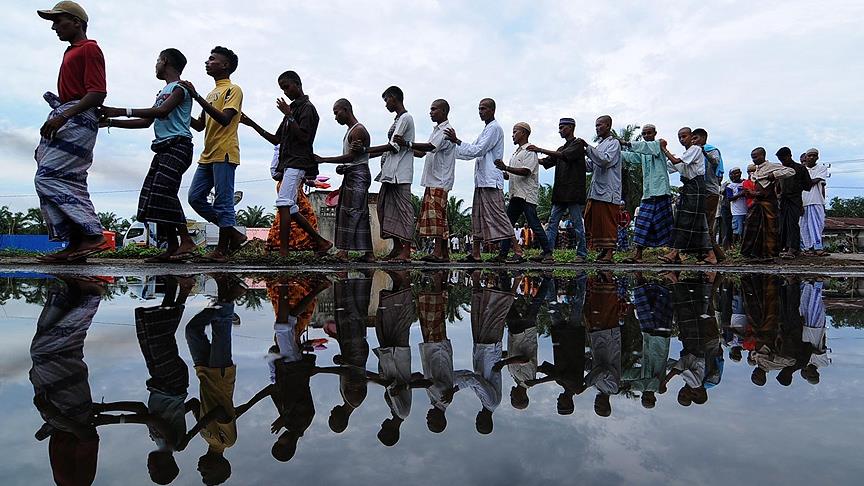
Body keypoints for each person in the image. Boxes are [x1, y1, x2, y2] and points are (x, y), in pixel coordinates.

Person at [99, 48, 197, 263]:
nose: (155, 65)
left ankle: (186, 241)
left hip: (178, 146)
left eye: (157, 61)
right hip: (163, 148)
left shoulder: (180, 88)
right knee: (155, 196)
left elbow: (161, 112)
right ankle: (172, 246)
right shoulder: (162, 93)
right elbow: (146, 122)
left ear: (165, 61)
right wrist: (111, 122)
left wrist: (120, 110)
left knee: (164, 192)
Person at [35, 2, 109, 263]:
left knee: (48, 177)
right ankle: (76, 243)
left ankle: (92, 234)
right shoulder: (71, 52)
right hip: (68, 114)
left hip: (75, 117)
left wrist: (64, 116)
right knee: (68, 178)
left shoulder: (89, 49)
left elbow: (98, 92)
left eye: (59, 21)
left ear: (77, 22)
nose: (55, 27)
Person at [240, 70, 332, 257]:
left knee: (283, 203)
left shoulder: (307, 109)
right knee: (289, 207)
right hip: (289, 162)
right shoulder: (293, 109)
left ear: (297, 84)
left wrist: (289, 115)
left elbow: (305, 137)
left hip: (298, 162)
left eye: (287, 87)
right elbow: (276, 139)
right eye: (282, 89)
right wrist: (251, 123)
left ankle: (284, 251)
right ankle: (321, 242)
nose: (286, 92)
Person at [180, 46, 246, 263]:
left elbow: (225, 119)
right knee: (195, 197)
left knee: (223, 201)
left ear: (225, 65)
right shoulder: (210, 94)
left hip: (225, 152)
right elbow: (200, 125)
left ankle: (222, 250)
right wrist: (179, 110)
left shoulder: (233, 90)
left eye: (212, 59)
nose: (207, 62)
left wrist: (196, 96)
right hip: (208, 154)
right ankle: (234, 235)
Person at [185, 274, 245, 486]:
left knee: (192, 331)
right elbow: (220, 413)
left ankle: (226, 298)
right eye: (205, 474)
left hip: (203, 374)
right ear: (220, 468)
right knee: (221, 330)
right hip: (220, 379)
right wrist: (190, 433)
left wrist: (173, 416)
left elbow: (195, 405)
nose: (199, 469)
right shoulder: (227, 441)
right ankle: (228, 298)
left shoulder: (205, 436)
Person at [444, 99, 521, 263]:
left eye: (484, 109)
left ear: (492, 110)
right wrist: (450, 149)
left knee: (499, 215)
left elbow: (478, 150)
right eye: (479, 109)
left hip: (491, 181)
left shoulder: (494, 128)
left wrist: (456, 141)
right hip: (481, 181)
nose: (480, 112)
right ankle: (476, 253)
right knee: (477, 216)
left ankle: (518, 251)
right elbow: (471, 150)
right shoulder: (486, 130)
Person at [314, 99, 374, 262]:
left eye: (336, 112)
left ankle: (344, 251)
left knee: (352, 212)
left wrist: (324, 159)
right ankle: (368, 254)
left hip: (358, 175)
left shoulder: (358, 130)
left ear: (346, 110)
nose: (335, 117)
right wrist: (343, 167)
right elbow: (352, 159)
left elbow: (352, 157)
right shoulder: (351, 131)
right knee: (358, 213)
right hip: (352, 173)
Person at [398, 99, 457, 263]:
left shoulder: (446, 130)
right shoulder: (437, 131)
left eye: (434, 109)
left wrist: (407, 143)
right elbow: (423, 152)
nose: (430, 112)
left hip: (440, 180)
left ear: (444, 111)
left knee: (437, 217)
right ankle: (444, 254)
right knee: (441, 217)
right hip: (433, 179)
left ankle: (438, 252)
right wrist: (405, 149)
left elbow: (430, 147)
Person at [365, 86, 415, 262]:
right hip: (389, 172)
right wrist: (368, 154)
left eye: (387, 100)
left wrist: (366, 150)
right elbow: (390, 144)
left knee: (404, 210)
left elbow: (393, 145)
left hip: (400, 172)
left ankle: (406, 251)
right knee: (384, 207)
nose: (386, 104)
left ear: (394, 98)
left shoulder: (406, 118)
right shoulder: (397, 119)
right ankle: (396, 246)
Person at [528, 118, 588, 260]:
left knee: (577, 224)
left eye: (562, 127)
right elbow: (547, 161)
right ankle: (547, 252)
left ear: (571, 127)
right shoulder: (561, 148)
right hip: (561, 192)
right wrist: (529, 158)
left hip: (573, 191)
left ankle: (581, 254)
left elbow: (564, 156)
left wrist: (540, 149)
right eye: (559, 127)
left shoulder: (578, 144)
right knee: (552, 223)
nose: (560, 130)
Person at [495, 122, 554, 263]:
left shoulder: (529, 151)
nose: (513, 135)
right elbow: (512, 174)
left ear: (524, 133)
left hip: (526, 195)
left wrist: (507, 167)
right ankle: (503, 254)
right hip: (516, 194)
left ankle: (548, 253)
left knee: (534, 224)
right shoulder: (516, 153)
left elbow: (526, 172)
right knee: (508, 224)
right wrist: (504, 173)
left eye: (515, 131)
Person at [659, 127, 717, 264]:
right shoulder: (686, 155)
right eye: (679, 137)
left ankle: (677, 253)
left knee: (691, 220)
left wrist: (664, 149)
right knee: (685, 220)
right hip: (688, 188)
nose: (681, 139)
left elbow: (676, 162)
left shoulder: (695, 150)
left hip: (696, 186)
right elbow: (671, 165)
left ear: (691, 137)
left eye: (684, 136)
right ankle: (678, 253)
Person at [619, 124, 675, 263]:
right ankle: (638, 255)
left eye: (649, 133)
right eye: (644, 134)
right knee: (642, 223)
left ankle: (675, 255)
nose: (646, 136)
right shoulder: (644, 153)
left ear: (655, 133)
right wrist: (615, 151)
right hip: (648, 194)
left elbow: (646, 148)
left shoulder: (659, 145)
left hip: (661, 191)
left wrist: (626, 143)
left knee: (666, 225)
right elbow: (631, 157)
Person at [577, 115, 622, 263]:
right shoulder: (600, 145)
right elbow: (590, 165)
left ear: (608, 126)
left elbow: (605, 160)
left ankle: (609, 252)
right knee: (594, 221)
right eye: (596, 125)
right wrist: (575, 156)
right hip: (596, 191)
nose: (597, 128)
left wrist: (587, 148)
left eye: (600, 125)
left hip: (609, 190)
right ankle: (602, 250)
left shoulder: (614, 143)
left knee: (608, 222)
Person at [740, 147, 795, 262]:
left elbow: (791, 171)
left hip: (769, 202)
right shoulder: (755, 171)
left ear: (763, 156)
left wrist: (774, 175)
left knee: (769, 229)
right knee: (752, 226)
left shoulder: (771, 166)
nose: (754, 159)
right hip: (757, 201)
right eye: (752, 157)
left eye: (756, 157)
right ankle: (752, 253)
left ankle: (769, 254)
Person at [418, 271, 456, 433]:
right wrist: (407, 385)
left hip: (434, 349)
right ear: (438, 420)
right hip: (437, 349)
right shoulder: (442, 399)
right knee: (434, 313)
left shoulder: (438, 401)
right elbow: (428, 382)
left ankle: (439, 279)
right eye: (429, 421)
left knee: (433, 314)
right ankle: (438, 279)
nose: (427, 417)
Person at [264, 145, 321, 253]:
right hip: (290, 187)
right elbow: (276, 174)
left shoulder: (297, 148)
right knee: (290, 214)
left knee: (296, 215)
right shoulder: (283, 148)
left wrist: (307, 180)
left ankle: (316, 245)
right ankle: (282, 248)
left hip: (294, 187)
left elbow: (308, 174)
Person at [691, 128, 727, 261]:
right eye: (692, 138)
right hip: (699, 191)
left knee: (708, 224)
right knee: (700, 224)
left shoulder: (711, 150)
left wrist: (703, 151)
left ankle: (717, 255)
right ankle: (706, 253)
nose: (693, 141)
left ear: (704, 138)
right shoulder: (693, 152)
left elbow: (715, 162)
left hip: (710, 191)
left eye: (696, 138)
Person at [776, 147, 812, 259]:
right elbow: (777, 186)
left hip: (795, 200)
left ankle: (793, 248)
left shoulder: (800, 168)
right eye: (780, 159)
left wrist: (796, 187)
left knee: (792, 223)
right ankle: (785, 247)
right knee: (783, 224)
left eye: (783, 158)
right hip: (783, 200)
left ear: (789, 156)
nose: (782, 161)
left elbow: (808, 185)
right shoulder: (780, 170)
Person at [801, 148, 829, 256]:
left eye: (814, 155)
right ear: (806, 157)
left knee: (817, 225)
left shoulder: (822, 168)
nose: (812, 157)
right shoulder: (801, 170)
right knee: (804, 226)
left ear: (817, 157)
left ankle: (818, 247)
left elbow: (816, 182)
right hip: (803, 201)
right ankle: (808, 248)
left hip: (816, 200)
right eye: (809, 155)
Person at [726, 167, 748, 245]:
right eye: (733, 174)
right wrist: (740, 194)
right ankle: (735, 247)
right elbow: (729, 198)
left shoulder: (745, 183)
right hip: (737, 212)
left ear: (740, 173)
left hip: (747, 210)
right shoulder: (730, 186)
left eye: (737, 173)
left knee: (746, 231)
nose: (736, 175)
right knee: (737, 231)